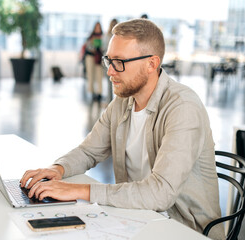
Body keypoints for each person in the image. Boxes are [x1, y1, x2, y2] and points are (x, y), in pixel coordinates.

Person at [21, 19, 224, 239]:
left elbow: (160, 194)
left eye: (119, 62)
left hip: (183, 230)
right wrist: (58, 169)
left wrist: (78, 190)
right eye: (109, 60)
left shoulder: (183, 107)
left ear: (151, 64)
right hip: (136, 219)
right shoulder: (123, 102)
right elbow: (89, 151)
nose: (110, 71)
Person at [84, 22, 103, 101]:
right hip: (90, 57)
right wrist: (92, 45)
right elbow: (86, 47)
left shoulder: (103, 36)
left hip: (99, 58)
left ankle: (99, 93)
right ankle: (92, 93)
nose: (97, 29)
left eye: (99, 27)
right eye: (96, 27)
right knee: (90, 75)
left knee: (99, 75)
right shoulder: (91, 37)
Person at [102, 18, 118, 102]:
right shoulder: (107, 36)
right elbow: (104, 48)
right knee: (109, 81)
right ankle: (109, 101)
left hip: (116, 62)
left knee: (116, 82)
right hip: (108, 61)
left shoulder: (119, 36)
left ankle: (114, 101)